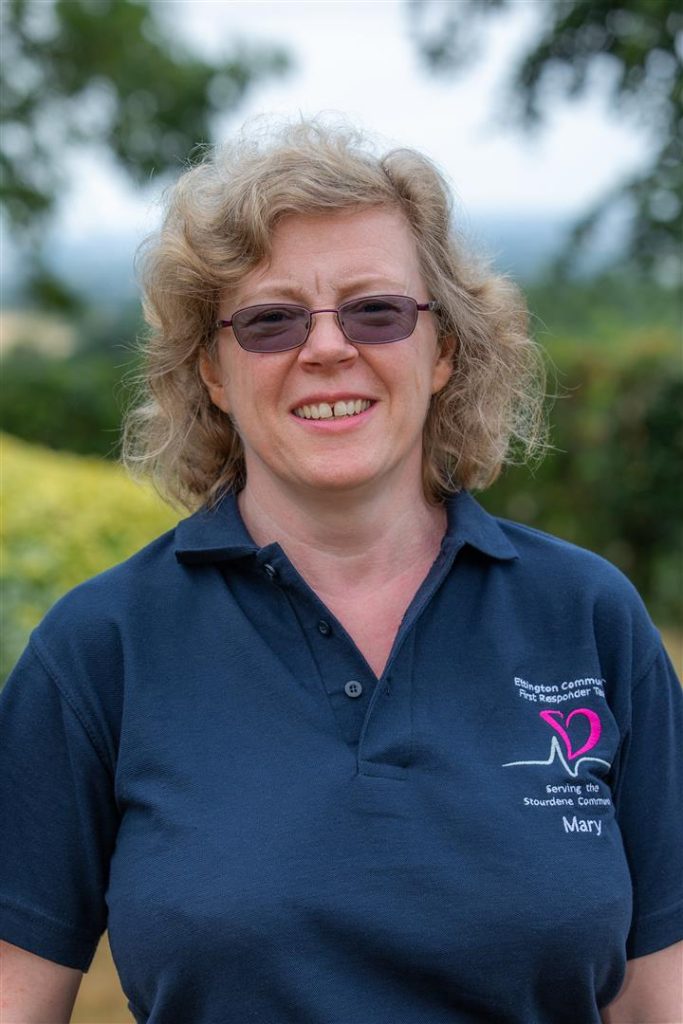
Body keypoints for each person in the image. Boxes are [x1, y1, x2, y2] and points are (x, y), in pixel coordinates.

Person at [1, 119, 681, 1024]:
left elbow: (658, 1001)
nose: (327, 348)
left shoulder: (589, 618)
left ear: (441, 352)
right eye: (271, 320)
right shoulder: (99, 651)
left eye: (376, 310)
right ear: (210, 366)